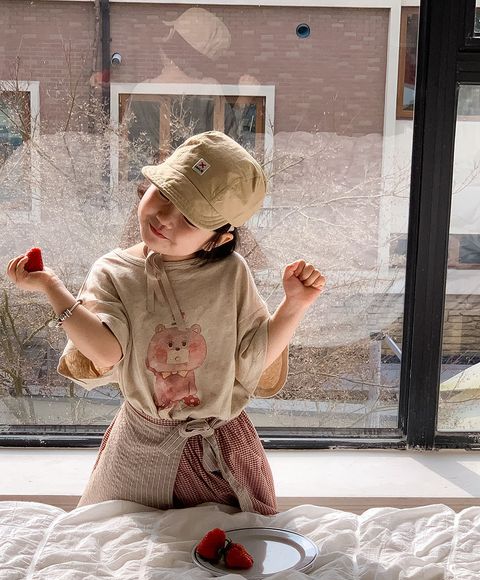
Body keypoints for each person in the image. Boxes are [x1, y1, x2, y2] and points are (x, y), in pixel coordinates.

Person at [6, 130, 326, 516]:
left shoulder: (231, 273)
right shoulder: (113, 271)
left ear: (217, 240)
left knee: (233, 544)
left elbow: (251, 361)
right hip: (140, 444)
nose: (165, 218)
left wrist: (294, 305)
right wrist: (52, 288)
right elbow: (106, 353)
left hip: (222, 448)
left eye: (190, 218)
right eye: (166, 194)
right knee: (114, 540)